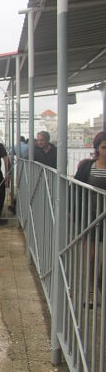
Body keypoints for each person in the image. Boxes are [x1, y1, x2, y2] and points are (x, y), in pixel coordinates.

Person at [74, 131, 106, 308]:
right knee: (92, 257)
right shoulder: (88, 167)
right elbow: (76, 189)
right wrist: (75, 212)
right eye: (103, 147)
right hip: (92, 217)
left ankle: (101, 280)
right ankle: (92, 293)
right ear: (97, 148)